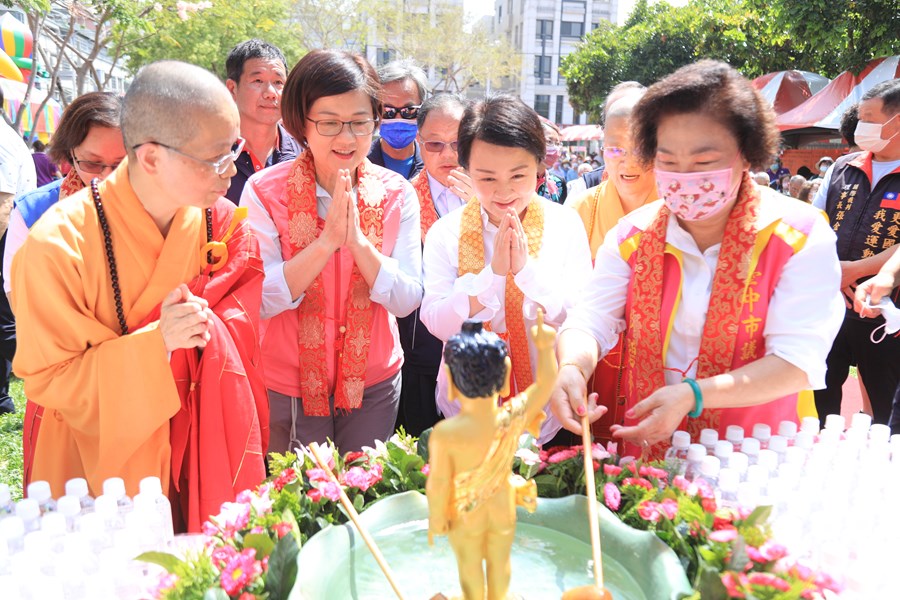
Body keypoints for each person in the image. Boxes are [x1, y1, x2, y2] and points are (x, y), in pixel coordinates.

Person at [11, 61, 269, 532]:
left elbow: (243, 328)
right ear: (150, 157)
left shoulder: (223, 224)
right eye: (214, 159)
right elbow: (50, 381)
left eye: (234, 151)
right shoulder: (57, 245)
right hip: (93, 469)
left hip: (196, 447)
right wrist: (158, 345)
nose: (230, 171)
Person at [551, 60, 844, 457]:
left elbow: (796, 361)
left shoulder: (798, 236)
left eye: (704, 163)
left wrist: (692, 396)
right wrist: (572, 366)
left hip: (753, 456)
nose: (685, 177)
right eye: (668, 162)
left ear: (747, 155)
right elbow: (592, 318)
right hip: (649, 452)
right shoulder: (632, 237)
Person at [241, 49, 423, 453]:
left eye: (360, 123)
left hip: (373, 384)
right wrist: (325, 245)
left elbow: (409, 298)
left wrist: (358, 243)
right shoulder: (264, 191)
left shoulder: (397, 194)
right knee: (301, 506)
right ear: (300, 124)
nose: (346, 138)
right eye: (329, 123)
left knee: (363, 501)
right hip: (288, 385)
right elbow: (262, 298)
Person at [421, 95, 592, 445]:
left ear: (540, 168)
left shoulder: (565, 224)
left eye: (518, 175)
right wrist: (492, 275)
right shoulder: (446, 232)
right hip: (465, 410)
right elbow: (436, 322)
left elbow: (581, 313)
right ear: (466, 169)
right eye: (486, 179)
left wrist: (525, 272)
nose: (504, 192)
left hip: (547, 410)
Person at [427, 315, 555, 600]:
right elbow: (545, 385)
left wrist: (436, 519)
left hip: (466, 515)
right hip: (501, 511)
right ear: (506, 374)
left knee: (470, 570)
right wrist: (545, 348)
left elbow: (438, 484)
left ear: (450, 380)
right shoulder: (509, 419)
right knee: (500, 567)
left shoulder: (446, 434)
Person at [563, 89, 657, 442]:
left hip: (657, 370)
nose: (627, 161)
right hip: (591, 367)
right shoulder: (580, 210)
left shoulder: (678, 212)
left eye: (640, 148)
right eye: (616, 148)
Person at [813, 78, 900, 427]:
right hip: (830, 302)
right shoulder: (842, 167)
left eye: (869, 118)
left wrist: (856, 270)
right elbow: (813, 223)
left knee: (885, 406)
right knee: (819, 394)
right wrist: (832, 272)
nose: (859, 125)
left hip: (884, 311)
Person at [398, 93, 472, 436]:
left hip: (484, 350)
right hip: (422, 350)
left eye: (458, 143)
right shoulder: (403, 197)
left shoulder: (494, 194)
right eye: (434, 144)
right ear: (418, 141)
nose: (448, 155)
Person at [4, 92, 126, 297]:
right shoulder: (34, 211)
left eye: (121, 164)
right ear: (71, 155)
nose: (107, 176)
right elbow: (18, 295)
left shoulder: (164, 206)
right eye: (92, 163)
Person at [224, 39, 300, 204]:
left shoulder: (305, 154)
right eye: (258, 81)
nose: (271, 93)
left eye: (278, 82)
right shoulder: (211, 154)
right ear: (232, 89)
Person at [0, 87, 35, 416]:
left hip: (8, 233)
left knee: (5, 321)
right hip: (13, 234)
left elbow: (3, 201)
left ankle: (40, 367)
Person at [367, 59, 426, 180]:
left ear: (422, 110)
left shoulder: (433, 166)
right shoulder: (359, 165)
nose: (398, 119)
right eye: (388, 111)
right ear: (376, 111)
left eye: (408, 110)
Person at [536, 120, 567, 204]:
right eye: (549, 142)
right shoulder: (517, 179)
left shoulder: (559, 183)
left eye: (558, 144)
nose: (555, 148)